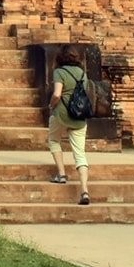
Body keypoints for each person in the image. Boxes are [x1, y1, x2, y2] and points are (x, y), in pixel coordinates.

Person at [47, 44, 92, 205]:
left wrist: (51, 105)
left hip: (61, 114)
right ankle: (85, 190)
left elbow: (57, 94)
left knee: (54, 140)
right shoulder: (82, 73)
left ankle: (61, 174)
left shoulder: (59, 72)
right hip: (79, 116)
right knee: (80, 154)